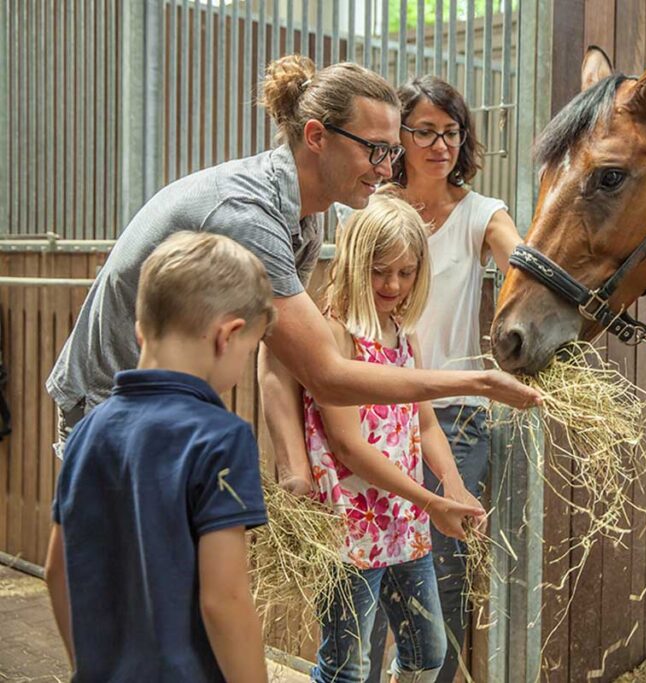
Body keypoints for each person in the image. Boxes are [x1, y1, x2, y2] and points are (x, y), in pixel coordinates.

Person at [44, 55, 540, 467]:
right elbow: (325, 372)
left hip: (174, 402)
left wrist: (293, 461)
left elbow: (281, 346)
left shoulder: (307, 215)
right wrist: (479, 381)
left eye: (392, 151)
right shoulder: (249, 216)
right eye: (374, 150)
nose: (387, 169)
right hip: (117, 401)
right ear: (317, 136)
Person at [44, 232, 275, 682]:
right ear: (228, 336)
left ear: (140, 328)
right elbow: (223, 598)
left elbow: (57, 569)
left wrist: (89, 667)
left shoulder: (90, 429)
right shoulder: (222, 437)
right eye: (250, 350)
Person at [355, 75, 522, 682]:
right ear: (397, 136)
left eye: (450, 132)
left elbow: (520, 261)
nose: (439, 145)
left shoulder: (482, 213)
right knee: (368, 580)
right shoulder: (373, 207)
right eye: (424, 131)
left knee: (440, 580)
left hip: (452, 417)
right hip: (375, 410)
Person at [305, 193, 486, 683]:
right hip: (352, 525)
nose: (393, 284)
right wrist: (430, 501)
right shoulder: (336, 334)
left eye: (405, 273)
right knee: (346, 664)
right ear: (356, 262)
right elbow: (347, 445)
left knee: (427, 653)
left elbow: (425, 423)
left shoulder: (405, 335)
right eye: (380, 271)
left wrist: (452, 484)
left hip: (404, 522)